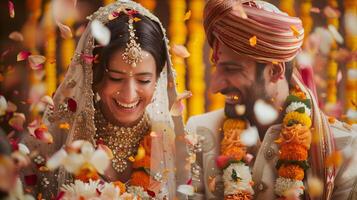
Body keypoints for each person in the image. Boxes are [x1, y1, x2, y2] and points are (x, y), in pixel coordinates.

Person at [185, 0, 357, 199]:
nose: (216, 86)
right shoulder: (199, 132)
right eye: (218, 68)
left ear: (274, 71)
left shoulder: (343, 147)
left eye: (232, 70)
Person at [21, 1, 187, 199]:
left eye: (144, 80)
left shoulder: (176, 148)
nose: (129, 94)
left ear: (158, 78)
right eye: (115, 78)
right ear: (93, 75)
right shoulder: (53, 142)